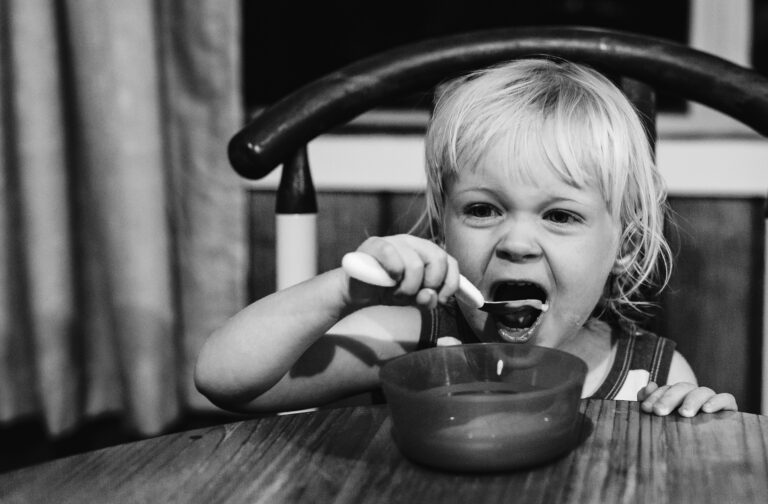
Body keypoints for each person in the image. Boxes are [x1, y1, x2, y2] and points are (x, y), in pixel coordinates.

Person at [195, 58, 737, 418]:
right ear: (442, 232)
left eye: (561, 217)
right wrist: (341, 291)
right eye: (482, 209)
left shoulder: (649, 377)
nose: (517, 242)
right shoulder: (407, 342)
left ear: (624, 245)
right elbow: (224, 379)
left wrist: (694, 416)